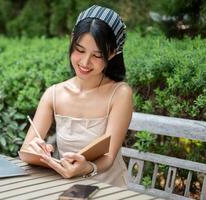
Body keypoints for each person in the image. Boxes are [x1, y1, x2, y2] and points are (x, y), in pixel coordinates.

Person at [20, 5, 132, 187]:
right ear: (72, 40)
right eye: (80, 50)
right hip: (68, 189)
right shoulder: (54, 94)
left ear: (112, 54)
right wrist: (38, 150)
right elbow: (26, 149)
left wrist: (88, 167)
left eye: (97, 55)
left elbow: (109, 157)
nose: (85, 62)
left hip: (109, 189)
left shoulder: (120, 93)